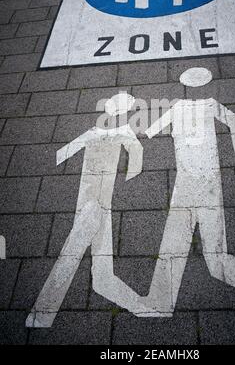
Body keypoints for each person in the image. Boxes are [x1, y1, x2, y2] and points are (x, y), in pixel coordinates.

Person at [140, 67, 235, 316]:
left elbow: (152, 130)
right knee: (206, 252)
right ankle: (160, 300)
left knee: (196, 251)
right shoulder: (209, 104)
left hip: (192, 178)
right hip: (207, 178)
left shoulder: (179, 108)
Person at [26, 92, 156, 328]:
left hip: (92, 204)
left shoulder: (102, 132)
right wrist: (129, 181)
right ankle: (41, 315)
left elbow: (65, 151)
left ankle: (42, 315)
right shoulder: (118, 132)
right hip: (94, 205)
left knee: (92, 269)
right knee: (83, 261)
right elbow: (136, 157)